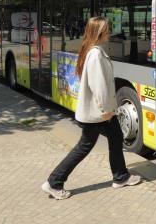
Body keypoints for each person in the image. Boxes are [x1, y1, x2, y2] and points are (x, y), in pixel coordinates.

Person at [41, 16, 141, 200]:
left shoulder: (94, 51)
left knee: (116, 137)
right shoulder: (95, 55)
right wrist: (108, 110)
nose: (110, 32)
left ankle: (120, 177)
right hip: (99, 113)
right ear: (100, 33)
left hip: (98, 112)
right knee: (84, 147)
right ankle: (54, 182)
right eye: (107, 29)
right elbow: (99, 87)